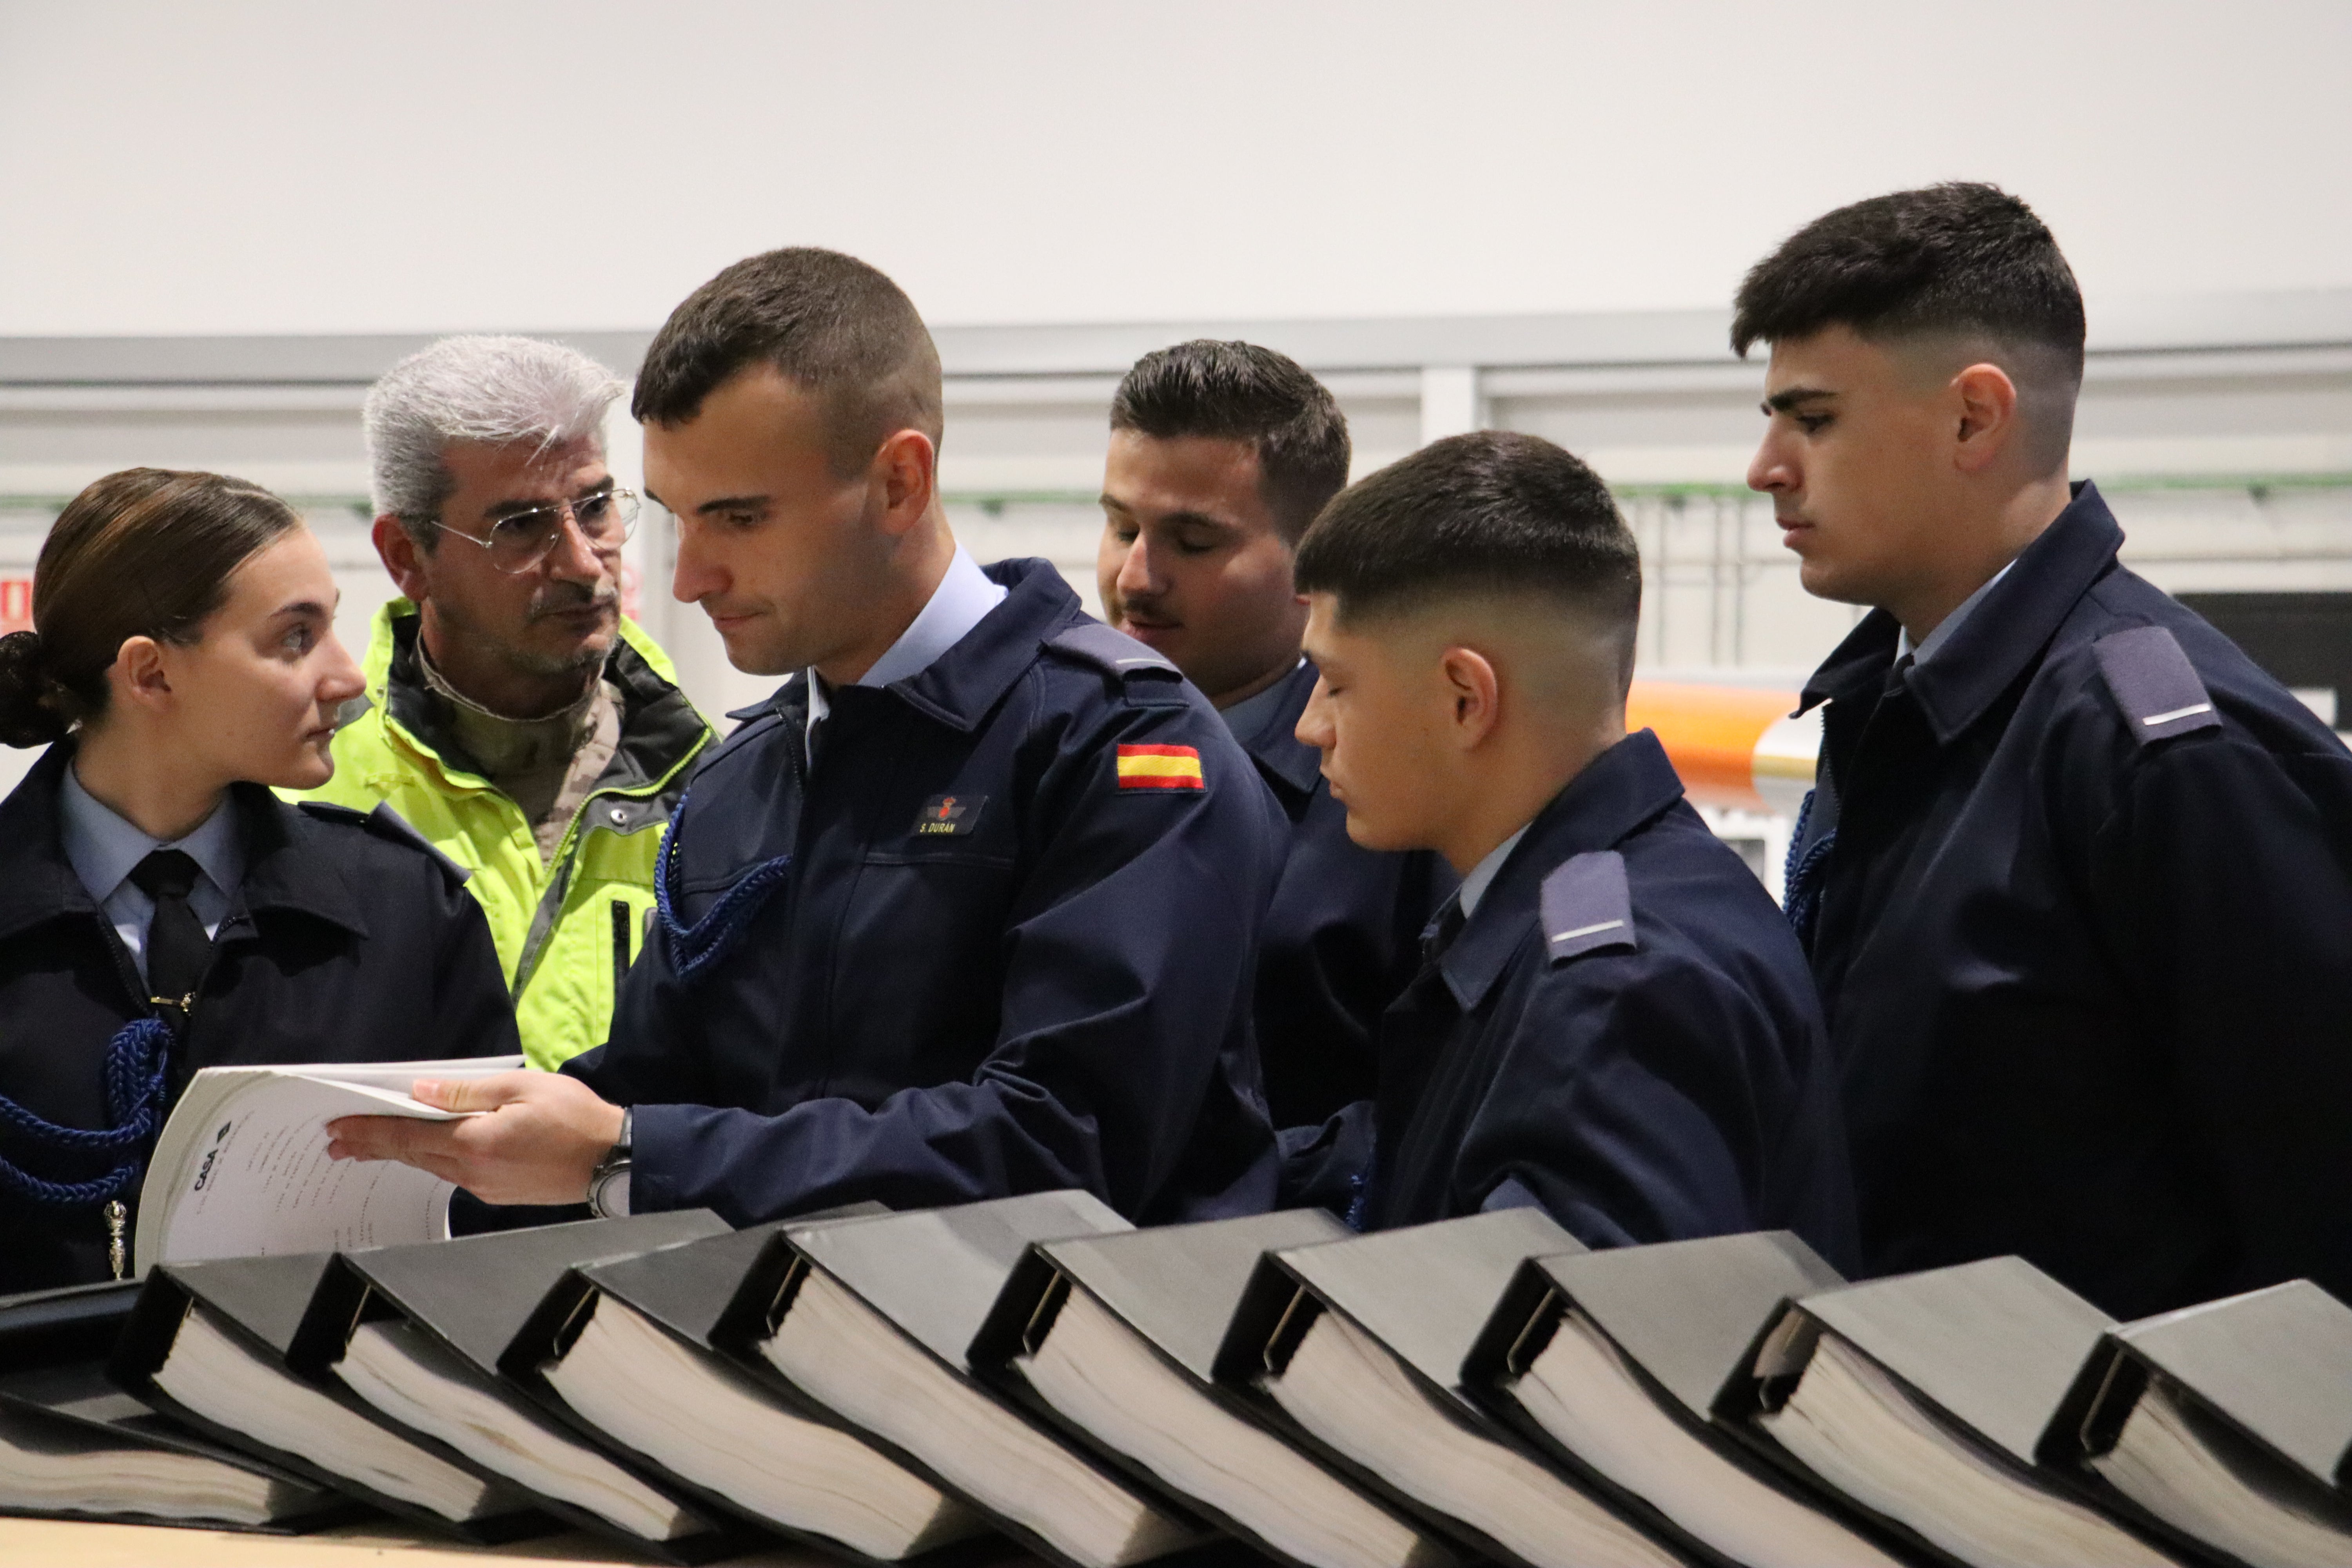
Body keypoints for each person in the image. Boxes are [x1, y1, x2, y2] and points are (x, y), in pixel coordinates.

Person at [325, 247, 1284, 1225]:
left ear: (900, 482)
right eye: (672, 518)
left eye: (738, 518)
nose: (688, 578)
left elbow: (1065, 1142)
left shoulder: (1120, 748)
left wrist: (630, 1156)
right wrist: (421, 1169)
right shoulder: (744, 776)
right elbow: (649, 1094)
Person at [1743, 183, 2352, 1316]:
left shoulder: (2166, 752)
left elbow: (2319, 1214)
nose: (1766, 467)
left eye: (1813, 419)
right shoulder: (1892, 709)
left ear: (1977, 417)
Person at [1279, 430, 1856, 1258]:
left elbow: (1570, 1362)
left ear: (1466, 698)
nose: (1311, 728)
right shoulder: (1588, 918)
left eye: (1337, 685)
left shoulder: (1620, 987)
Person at [0, 468, 518, 1294]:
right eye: (293, 638)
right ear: (152, 675)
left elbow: (496, 1242)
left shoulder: (409, 913)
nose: (348, 679)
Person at [296, 337, 714, 1071]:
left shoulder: (716, 784)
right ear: (406, 557)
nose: (584, 563)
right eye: (520, 526)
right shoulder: (304, 790)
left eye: (595, 509)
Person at [1097, 340, 1454, 1128]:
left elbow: (1432, 1110)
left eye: (1193, 543)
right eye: (1123, 529)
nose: (1135, 579)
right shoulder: (1043, 765)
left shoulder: (1399, 812)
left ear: (1313, 557)